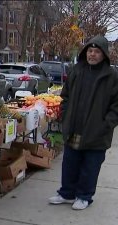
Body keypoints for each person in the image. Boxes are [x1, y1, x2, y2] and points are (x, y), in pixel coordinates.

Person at [48, 35, 118, 210]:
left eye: (96, 52)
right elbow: (65, 96)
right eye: (90, 51)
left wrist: (106, 124)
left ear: (104, 55)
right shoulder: (76, 71)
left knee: (90, 165)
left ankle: (84, 196)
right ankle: (67, 193)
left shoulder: (111, 76)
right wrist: (65, 116)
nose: (92, 54)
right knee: (70, 163)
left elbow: (116, 106)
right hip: (74, 128)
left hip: (97, 131)